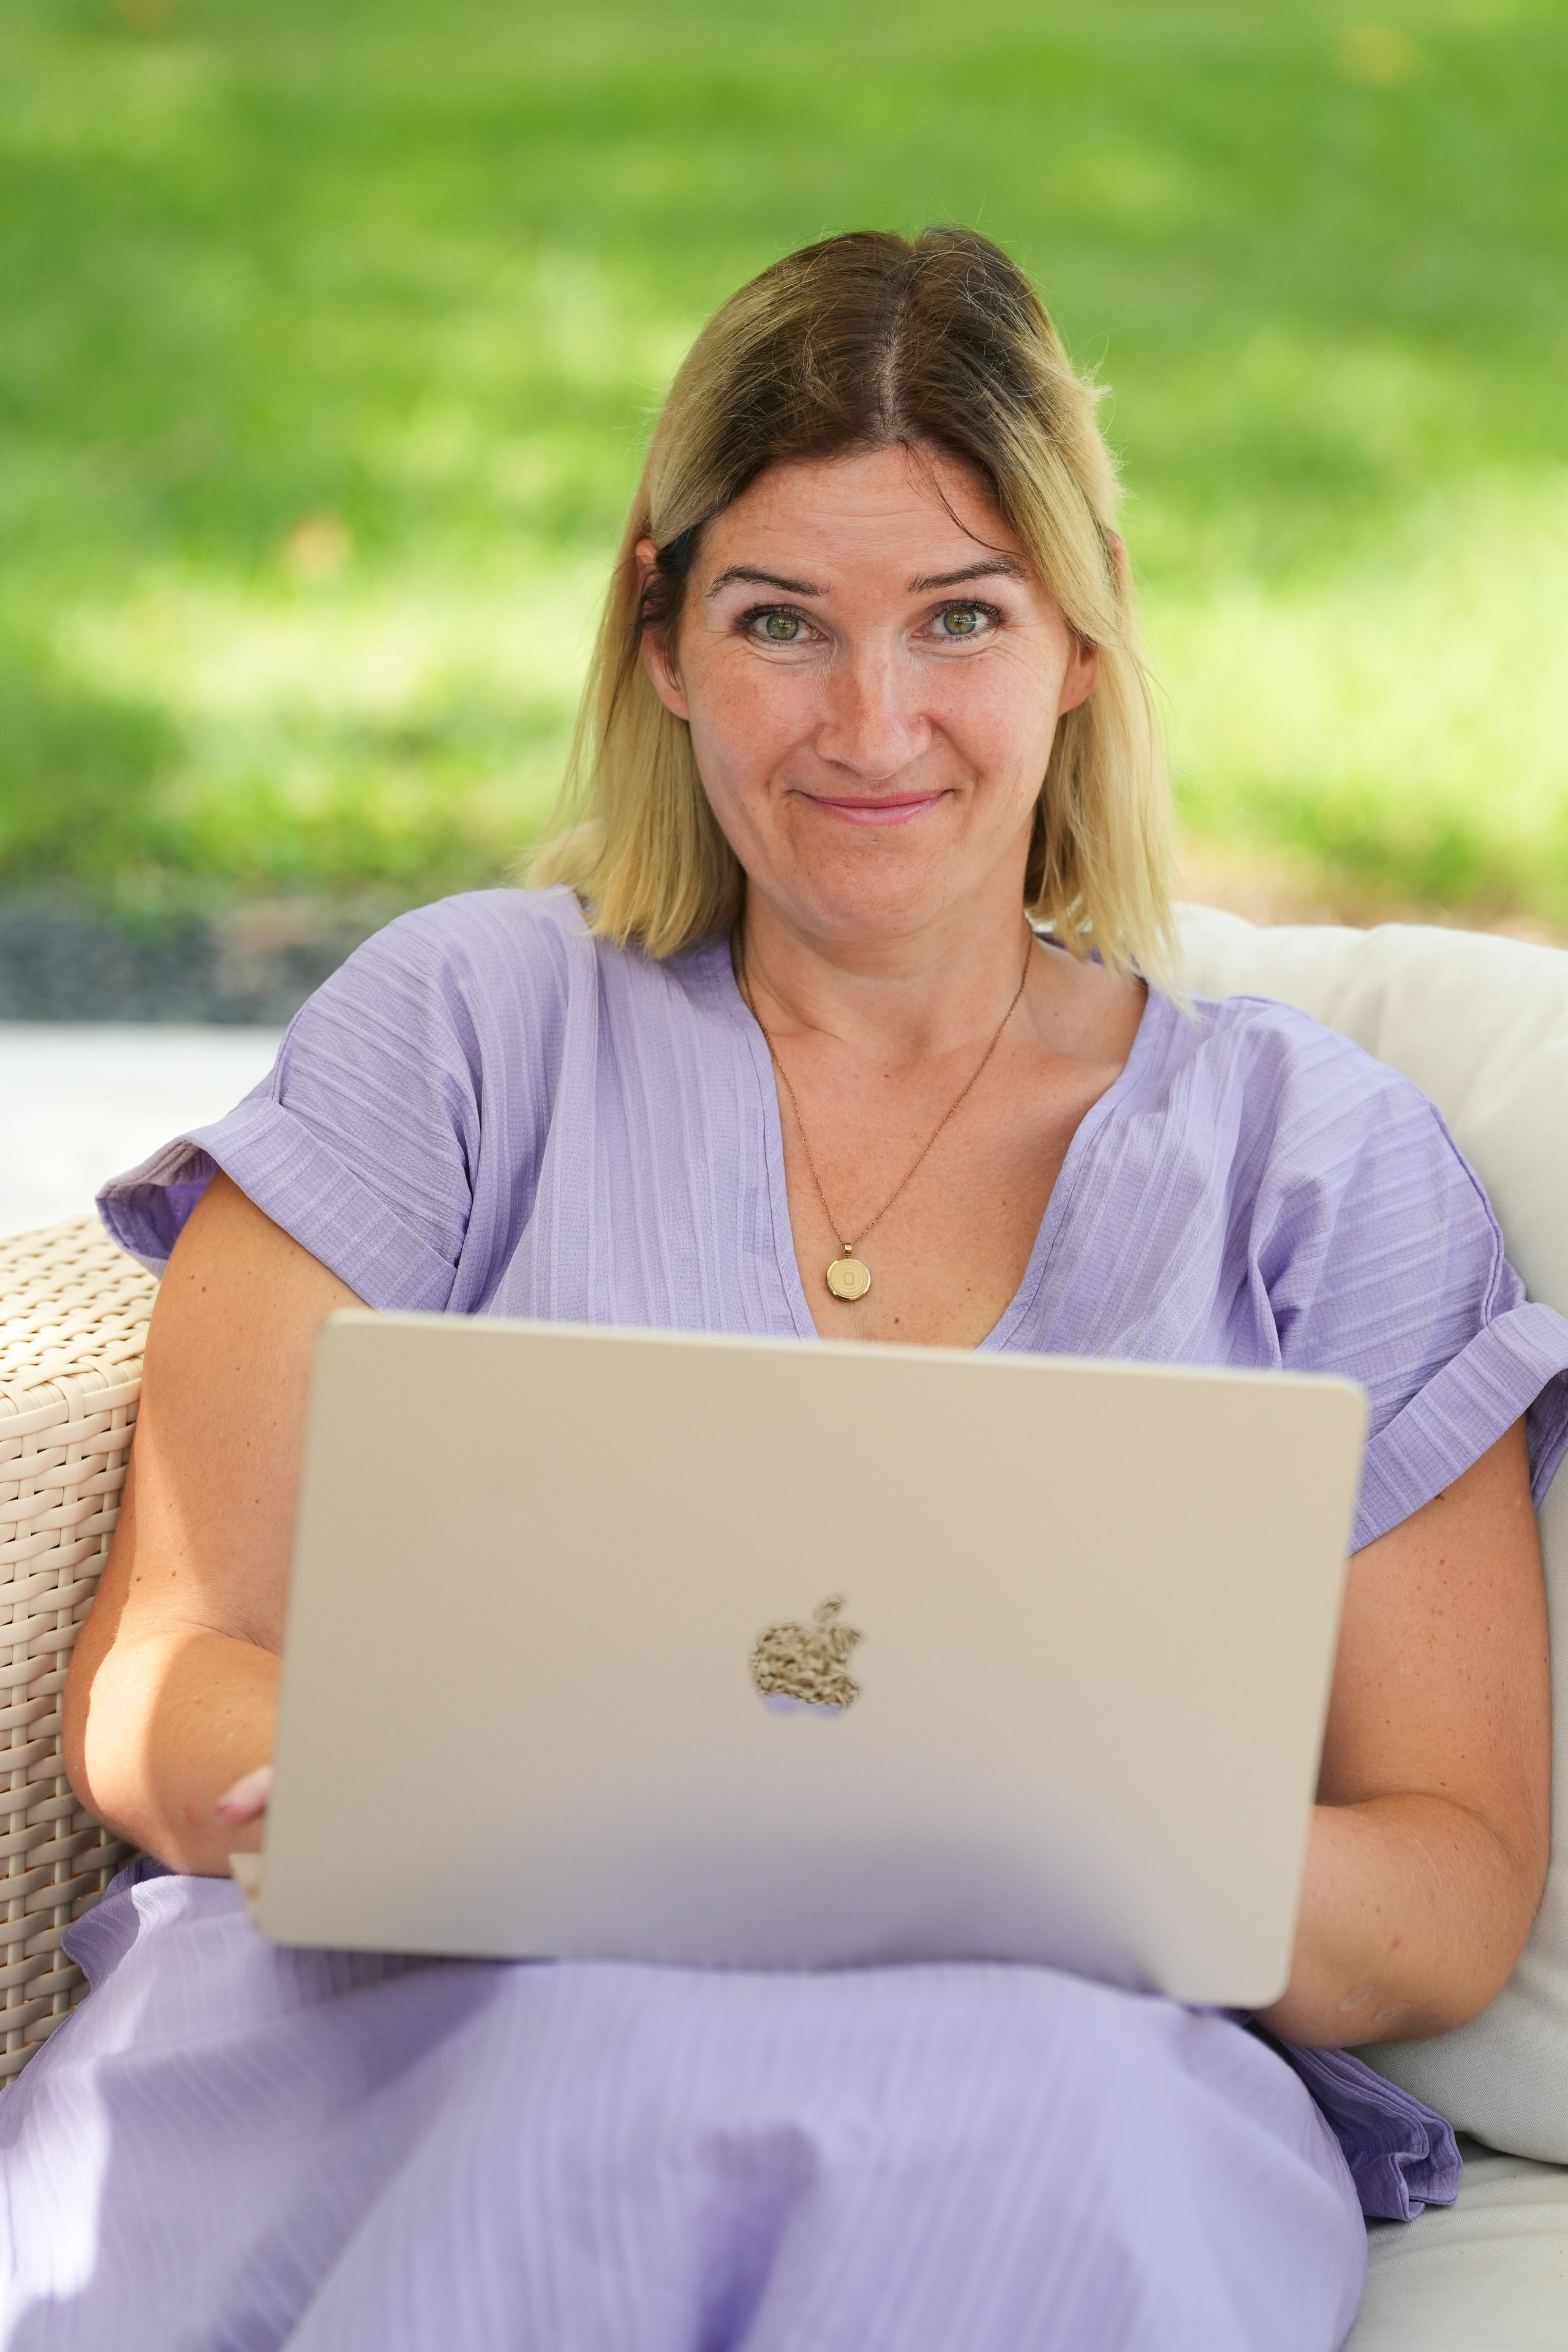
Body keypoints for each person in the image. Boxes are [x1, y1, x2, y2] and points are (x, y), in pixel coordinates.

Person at [4, 227, 1566, 2352]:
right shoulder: (464, 1030)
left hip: (1053, 2068)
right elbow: (160, 1676)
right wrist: (391, 1778)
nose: (872, 724)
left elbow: (1457, 1879)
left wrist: (1034, 1847)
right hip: (451, 2022)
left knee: (1008, 2148)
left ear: (1080, 641)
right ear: (659, 638)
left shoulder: (1319, 1165)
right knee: (582, 2096)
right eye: (779, 624)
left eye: (959, 620)